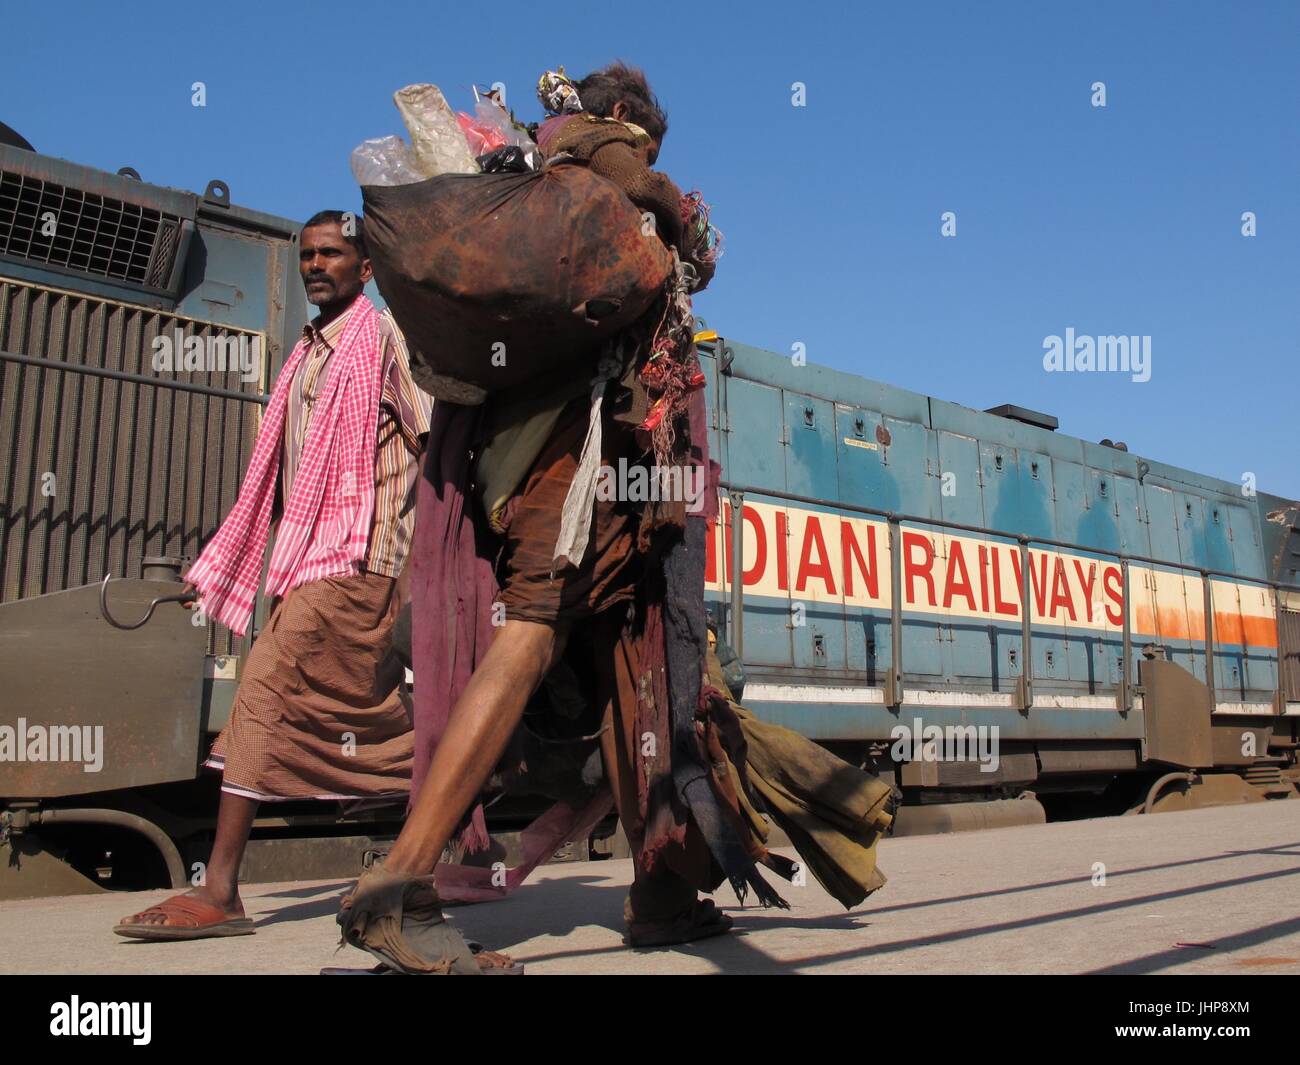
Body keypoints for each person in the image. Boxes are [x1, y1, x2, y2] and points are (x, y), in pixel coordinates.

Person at [335, 64, 805, 975]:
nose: (650, 157)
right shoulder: (601, 160)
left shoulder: (533, 169)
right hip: (574, 460)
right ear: (626, 117)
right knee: (531, 629)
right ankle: (398, 887)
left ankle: (661, 891)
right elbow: (700, 250)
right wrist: (656, 184)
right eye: (647, 137)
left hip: (612, 482)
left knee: (636, 664)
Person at [115, 211, 431, 941]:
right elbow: (286, 473)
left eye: (333, 254)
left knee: (259, 689)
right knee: (372, 720)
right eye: (308, 254)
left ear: (367, 267)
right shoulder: (306, 353)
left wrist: (416, 572)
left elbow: (433, 442)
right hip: (308, 559)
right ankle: (477, 775)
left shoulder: (383, 340)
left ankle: (220, 888)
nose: (317, 264)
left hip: (359, 556)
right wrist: (237, 555)